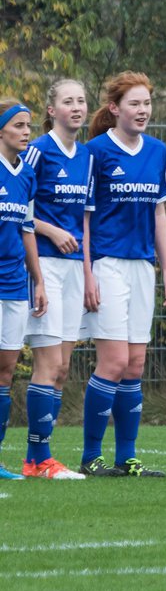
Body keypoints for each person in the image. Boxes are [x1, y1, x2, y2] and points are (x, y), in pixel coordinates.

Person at [77, 71, 166, 478]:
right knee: (114, 361)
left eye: (147, 104)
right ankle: (90, 456)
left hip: (142, 267)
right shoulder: (95, 152)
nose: (143, 111)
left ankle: (127, 458)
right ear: (115, 108)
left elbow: (158, 213)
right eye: (135, 104)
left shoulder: (157, 151)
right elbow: (83, 218)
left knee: (135, 365)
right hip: (107, 264)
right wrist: (87, 272)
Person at [21, 79, 94, 479]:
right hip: (43, 265)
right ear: (52, 110)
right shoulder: (37, 151)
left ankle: (41, 456)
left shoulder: (85, 156)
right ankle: (37, 459)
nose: (77, 107)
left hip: (72, 270)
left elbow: (83, 220)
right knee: (47, 365)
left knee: (63, 369)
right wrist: (50, 231)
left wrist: (87, 272)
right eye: (68, 101)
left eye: (81, 100)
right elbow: (19, 206)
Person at [0, 99, 49, 480]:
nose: (26, 132)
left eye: (28, 125)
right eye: (18, 125)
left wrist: (39, 281)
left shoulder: (26, 176)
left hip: (16, 285)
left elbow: (27, 229)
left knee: (6, 371)